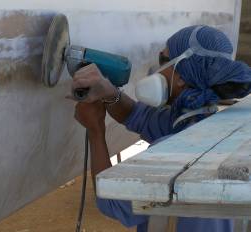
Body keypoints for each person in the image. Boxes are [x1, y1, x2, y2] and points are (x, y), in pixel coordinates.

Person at [68, 25, 251, 232]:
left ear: (182, 76)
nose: (157, 69)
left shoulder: (168, 154)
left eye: (163, 60)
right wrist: (110, 93)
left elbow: (110, 201)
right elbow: (139, 117)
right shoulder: (202, 122)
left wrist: (95, 130)